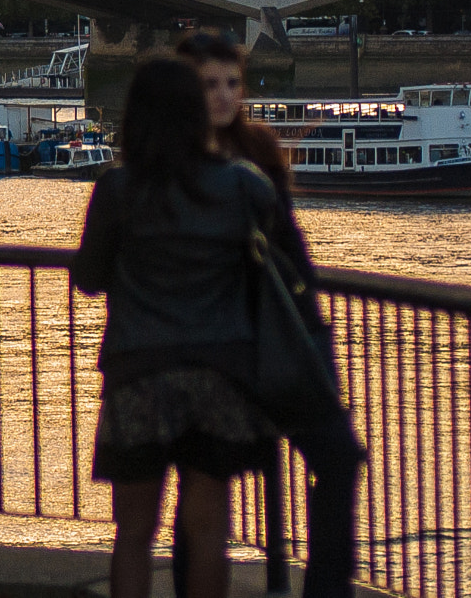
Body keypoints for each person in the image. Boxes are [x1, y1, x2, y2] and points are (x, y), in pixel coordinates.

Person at [71, 57, 279, 598]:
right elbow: (270, 273)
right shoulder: (241, 186)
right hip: (219, 372)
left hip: (139, 371)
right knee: (208, 531)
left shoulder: (116, 188)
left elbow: (88, 278)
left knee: (135, 533)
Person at [175, 33, 366, 598]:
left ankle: (326, 588)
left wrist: (314, 333)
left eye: (232, 83)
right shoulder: (170, 164)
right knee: (204, 491)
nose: (225, 96)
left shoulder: (258, 151)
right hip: (215, 356)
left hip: (280, 347)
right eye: (210, 84)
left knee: (339, 458)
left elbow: (292, 252)